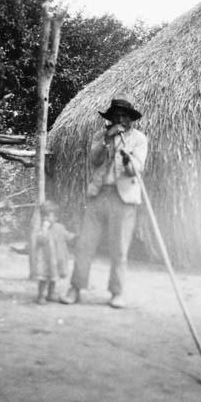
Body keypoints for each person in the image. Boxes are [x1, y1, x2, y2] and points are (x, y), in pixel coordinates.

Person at [60, 94, 148, 309]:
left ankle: (116, 293)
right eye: (116, 116)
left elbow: (135, 171)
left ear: (130, 119)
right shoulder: (101, 136)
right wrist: (108, 140)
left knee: (119, 248)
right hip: (99, 195)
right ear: (110, 118)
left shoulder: (138, 139)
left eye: (124, 116)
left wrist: (128, 159)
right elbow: (94, 160)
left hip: (124, 199)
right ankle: (76, 288)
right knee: (85, 244)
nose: (120, 119)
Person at [33, 201, 76, 305]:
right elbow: (40, 240)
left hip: (56, 259)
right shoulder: (42, 229)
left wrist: (74, 237)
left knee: (54, 278)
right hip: (45, 260)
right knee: (43, 279)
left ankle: (50, 294)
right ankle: (40, 296)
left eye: (48, 216)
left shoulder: (60, 227)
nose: (45, 218)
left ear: (56, 217)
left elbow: (67, 236)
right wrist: (44, 229)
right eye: (43, 216)